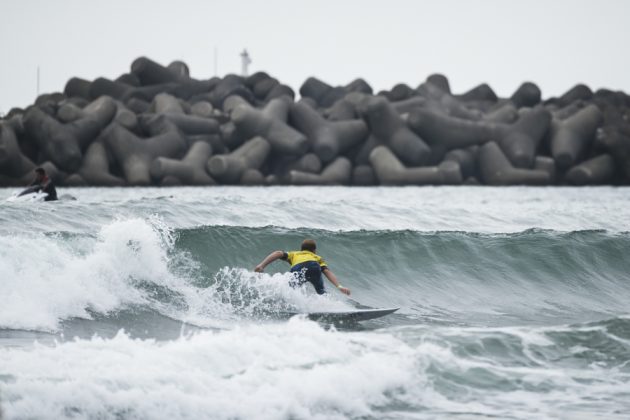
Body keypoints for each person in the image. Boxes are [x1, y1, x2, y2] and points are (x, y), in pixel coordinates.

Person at [255, 239, 351, 296]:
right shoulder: (317, 257)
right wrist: (339, 286)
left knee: (291, 290)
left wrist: (261, 265)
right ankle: (329, 306)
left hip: (298, 268)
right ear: (314, 250)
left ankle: (290, 305)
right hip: (314, 266)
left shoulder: (294, 254)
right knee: (321, 292)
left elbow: (278, 253)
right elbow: (326, 271)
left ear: (301, 249)